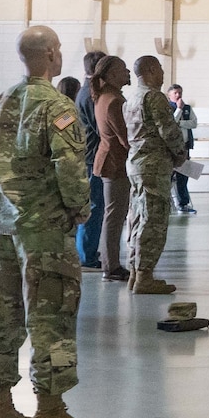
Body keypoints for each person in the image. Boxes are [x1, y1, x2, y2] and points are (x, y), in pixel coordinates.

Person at [0, 24, 99, 418]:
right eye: (58, 50)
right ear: (51, 55)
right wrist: (79, 209)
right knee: (51, 317)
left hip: (7, 229)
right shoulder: (56, 106)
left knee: (3, 317)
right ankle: (51, 413)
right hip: (45, 233)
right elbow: (70, 166)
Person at [122, 55, 186, 294]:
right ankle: (145, 276)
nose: (161, 74)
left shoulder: (131, 99)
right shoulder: (154, 97)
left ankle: (134, 273)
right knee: (154, 221)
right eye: (159, 69)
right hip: (154, 165)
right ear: (149, 70)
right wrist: (180, 153)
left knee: (137, 218)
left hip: (136, 164)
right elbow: (168, 131)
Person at [89, 55, 133, 284]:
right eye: (124, 69)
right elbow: (125, 137)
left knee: (113, 215)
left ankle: (111, 263)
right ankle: (111, 265)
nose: (127, 73)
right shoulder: (113, 100)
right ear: (113, 74)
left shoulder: (104, 96)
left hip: (110, 160)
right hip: (114, 163)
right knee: (114, 217)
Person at [75, 50, 105, 270]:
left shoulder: (84, 93)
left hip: (88, 156)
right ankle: (86, 255)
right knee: (94, 208)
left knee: (93, 207)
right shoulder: (90, 96)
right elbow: (100, 127)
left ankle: (87, 252)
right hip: (92, 158)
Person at [166, 83, 198, 214]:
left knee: (184, 175)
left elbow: (194, 123)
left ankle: (183, 203)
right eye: (175, 93)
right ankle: (168, 202)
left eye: (180, 93)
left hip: (185, 146)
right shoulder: (167, 108)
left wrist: (180, 123)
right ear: (169, 96)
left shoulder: (188, 108)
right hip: (171, 148)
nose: (178, 95)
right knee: (169, 175)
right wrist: (178, 110)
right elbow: (170, 123)